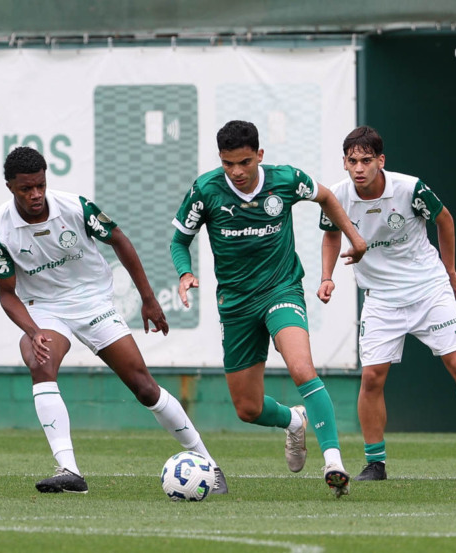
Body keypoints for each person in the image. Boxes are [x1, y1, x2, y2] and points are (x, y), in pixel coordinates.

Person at [0, 146, 226, 495]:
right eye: (26, 189)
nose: (35, 194)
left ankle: (210, 466)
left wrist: (148, 298)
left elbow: (120, 240)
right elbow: (7, 293)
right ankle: (69, 470)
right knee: (40, 360)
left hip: (91, 300)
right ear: (10, 187)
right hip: (45, 309)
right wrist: (33, 331)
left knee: (144, 387)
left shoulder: (75, 207)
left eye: (40, 185)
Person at [169, 120, 366, 498]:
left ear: (260, 155)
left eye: (244, 162)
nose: (237, 172)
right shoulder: (205, 190)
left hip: (281, 288)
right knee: (248, 408)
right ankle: (294, 421)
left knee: (301, 368)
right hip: (236, 303)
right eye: (228, 164)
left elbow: (326, 197)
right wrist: (185, 272)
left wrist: (355, 239)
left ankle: (333, 461)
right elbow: (180, 240)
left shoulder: (286, 180)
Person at [317, 125, 456, 481]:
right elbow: (332, 235)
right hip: (380, 297)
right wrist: (327, 276)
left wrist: (450, 270)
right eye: (352, 161)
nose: (359, 168)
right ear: (344, 163)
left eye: (365, 160)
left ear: (381, 161)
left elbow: (445, 220)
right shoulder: (337, 195)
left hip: (428, 288)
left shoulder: (410, 188)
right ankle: (375, 463)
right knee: (373, 377)